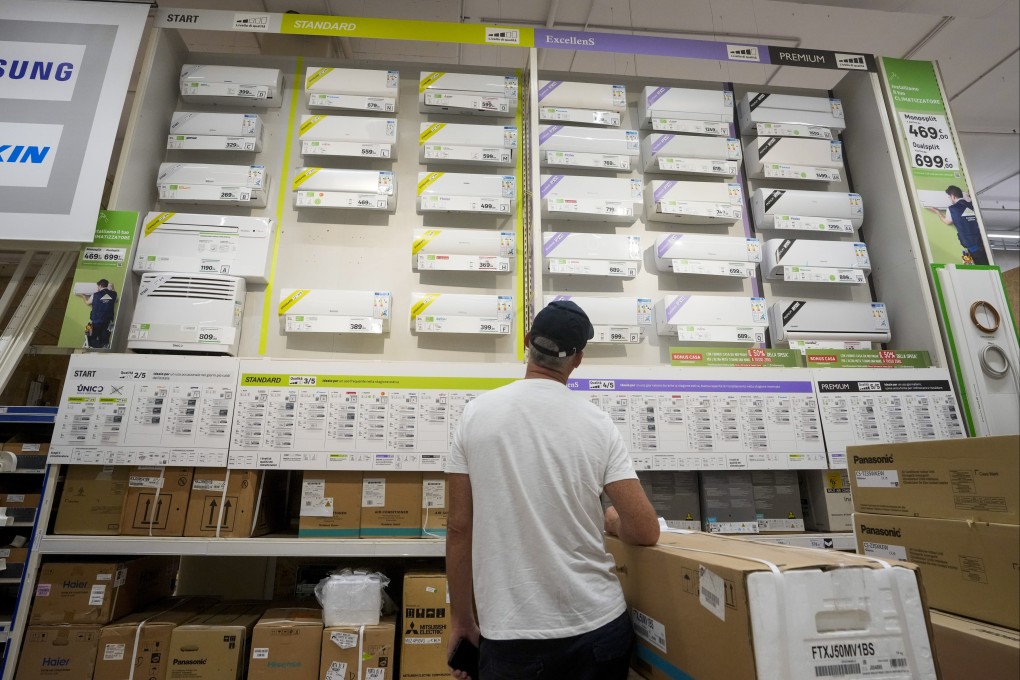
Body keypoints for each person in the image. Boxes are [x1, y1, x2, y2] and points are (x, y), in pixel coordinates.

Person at [445, 300, 660, 680]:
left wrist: (462, 620)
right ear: (577, 359)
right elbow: (644, 528)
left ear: (527, 342)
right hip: (599, 627)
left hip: (512, 635)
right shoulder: (598, 423)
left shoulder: (476, 414)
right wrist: (610, 521)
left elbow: (459, 527)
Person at [927, 185, 989, 265]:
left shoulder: (952, 208)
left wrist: (937, 211)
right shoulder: (971, 204)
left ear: (953, 196)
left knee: (982, 266)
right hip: (981, 241)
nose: (949, 199)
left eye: (949, 197)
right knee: (986, 262)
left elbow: (947, 222)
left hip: (971, 244)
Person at [80, 279, 117, 349]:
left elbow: (87, 303)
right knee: (104, 338)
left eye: (98, 286)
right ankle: (104, 345)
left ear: (100, 285)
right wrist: (113, 288)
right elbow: (115, 299)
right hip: (108, 321)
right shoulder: (114, 294)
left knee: (91, 339)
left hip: (96, 320)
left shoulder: (95, 295)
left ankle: (100, 345)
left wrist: (83, 296)